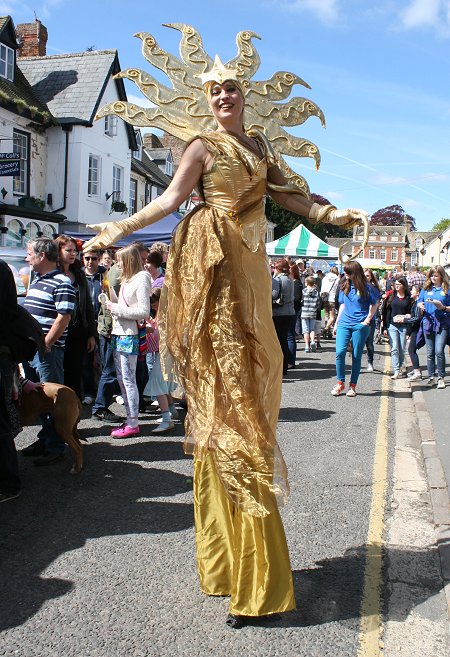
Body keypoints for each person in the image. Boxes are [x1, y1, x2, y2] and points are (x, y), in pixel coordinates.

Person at [83, 35, 369, 627]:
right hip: (211, 263)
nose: (223, 96)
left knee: (254, 385)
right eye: (214, 90)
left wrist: (330, 214)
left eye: (232, 89)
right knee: (227, 402)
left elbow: (294, 196)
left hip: (251, 263)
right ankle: (241, 569)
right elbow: (167, 200)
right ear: (206, 100)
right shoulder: (202, 148)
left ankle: (229, 561)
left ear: (246, 97)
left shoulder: (259, 145)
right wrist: (117, 230)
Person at [22, 238, 76, 465]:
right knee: (37, 400)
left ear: (42, 256)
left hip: (47, 353)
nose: (27, 258)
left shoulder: (62, 282)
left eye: (29, 254)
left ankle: (55, 446)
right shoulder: (37, 280)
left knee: (53, 401)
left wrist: (45, 344)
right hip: (32, 351)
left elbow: (64, 317)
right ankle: (46, 439)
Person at [106, 245, 151, 437]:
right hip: (120, 333)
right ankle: (130, 419)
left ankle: (133, 422)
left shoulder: (141, 279)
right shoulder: (129, 279)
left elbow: (144, 312)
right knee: (123, 380)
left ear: (129, 261)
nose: (118, 264)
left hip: (128, 334)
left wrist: (116, 309)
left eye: (120, 260)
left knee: (128, 379)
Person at [55, 236, 97, 401]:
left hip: (78, 331)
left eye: (75, 250)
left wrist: (91, 334)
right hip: (57, 331)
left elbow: (87, 307)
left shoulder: (78, 274)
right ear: (58, 251)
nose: (73, 254)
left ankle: (73, 411)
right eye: (68, 250)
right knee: (57, 372)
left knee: (75, 371)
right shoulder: (52, 274)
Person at [332, 261, 379, 397]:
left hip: (360, 324)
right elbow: (342, 305)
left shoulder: (367, 287)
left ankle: (352, 386)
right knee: (340, 352)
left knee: (356, 355)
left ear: (355, 273)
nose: (345, 274)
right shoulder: (344, 285)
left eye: (348, 272)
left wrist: (367, 320)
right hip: (344, 323)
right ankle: (340, 383)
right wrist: (336, 323)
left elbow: (375, 304)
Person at [143, 287, 179, 432]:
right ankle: (170, 411)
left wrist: (150, 329)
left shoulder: (166, 314)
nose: (153, 306)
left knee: (158, 384)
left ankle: (166, 419)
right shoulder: (166, 313)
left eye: (155, 303)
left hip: (165, 353)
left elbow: (164, 335)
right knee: (164, 385)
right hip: (165, 353)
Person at [417, 266, 450, 388]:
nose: (433, 278)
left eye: (435, 275)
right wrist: (420, 305)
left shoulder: (447, 289)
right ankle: (431, 376)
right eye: (431, 275)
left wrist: (444, 307)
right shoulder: (426, 289)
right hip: (428, 322)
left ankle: (441, 377)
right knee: (430, 352)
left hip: (442, 322)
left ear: (441, 276)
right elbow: (419, 301)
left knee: (439, 351)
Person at [381, 276, 411, 379]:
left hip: (404, 326)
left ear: (404, 285)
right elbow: (385, 312)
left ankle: (402, 367)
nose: (397, 286)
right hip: (392, 325)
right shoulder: (391, 296)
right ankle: (396, 370)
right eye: (396, 284)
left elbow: (411, 313)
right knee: (394, 348)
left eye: (399, 284)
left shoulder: (408, 298)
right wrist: (385, 327)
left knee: (402, 348)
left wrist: (407, 320)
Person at [272, 258, 295, 374]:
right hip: (289, 312)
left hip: (278, 313)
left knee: (277, 341)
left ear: (277, 268)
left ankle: (279, 367)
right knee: (284, 340)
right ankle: (284, 367)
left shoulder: (277, 280)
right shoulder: (290, 279)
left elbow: (273, 295)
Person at [394, 284, 423, 380]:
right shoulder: (415, 302)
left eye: (413, 290)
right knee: (412, 350)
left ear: (418, 293)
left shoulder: (419, 303)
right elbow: (413, 315)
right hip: (415, 329)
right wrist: (407, 316)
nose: (411, 291)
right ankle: (416, 370)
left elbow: (417, 318)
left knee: (411, 350)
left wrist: (404, 320)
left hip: (418, 329)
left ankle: (417, 373)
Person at [363, 269, 381, 371]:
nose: (366, 278)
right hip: (359, 318)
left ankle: (370, 362)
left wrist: (370, 316)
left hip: (371, 319)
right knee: (358, 342)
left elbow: (376, 304)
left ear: (371, 277)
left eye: (368, 276)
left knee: (369, 342)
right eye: (364, 276)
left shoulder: (374, 289)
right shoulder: (359, 288)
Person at [287, 263, 302, 367]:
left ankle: (291, 361)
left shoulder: (296, 283)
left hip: (293, 311)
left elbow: (297, 299)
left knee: (290, 336)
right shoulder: (295, 282)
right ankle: (290, 360)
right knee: (290, 335)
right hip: (293, 311)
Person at [301, 276, 320, 353]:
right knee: (312, 329)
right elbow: (318, 303)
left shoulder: (303, 291)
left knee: (305, 330)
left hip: (305, 312)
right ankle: (312, 341)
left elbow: (301, 301)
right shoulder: (316, 292)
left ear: (307, 283)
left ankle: (307, 346)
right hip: (313, 312)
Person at [321, 266, 339, 339]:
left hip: (324, 298)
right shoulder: (337, 279)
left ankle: (328, 332)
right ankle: (326, 328)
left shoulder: (325, 278)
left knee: (326, 315)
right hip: (332, 298)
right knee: (332, 317)